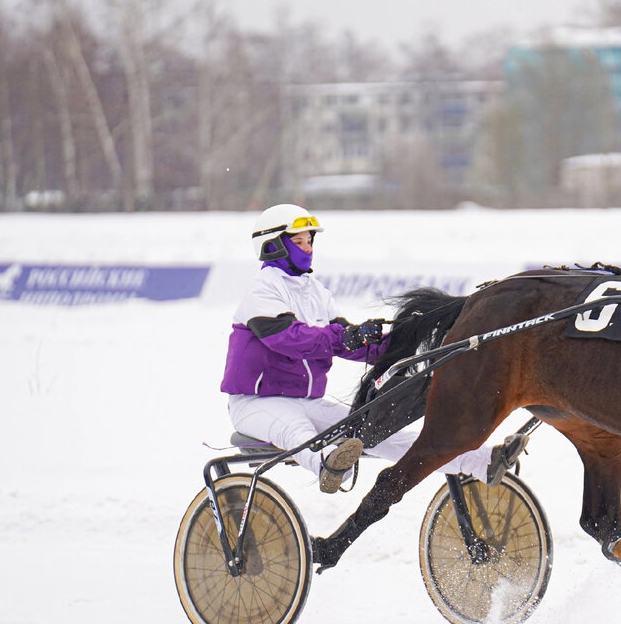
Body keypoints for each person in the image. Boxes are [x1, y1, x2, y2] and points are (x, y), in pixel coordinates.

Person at [220, 203, 528, 493]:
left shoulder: (316, 293)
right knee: (296, 430)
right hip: (255, 404)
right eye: (299, 243)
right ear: (274, 246)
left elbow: (346, 341)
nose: (308, 249)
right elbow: (292, 339)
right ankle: (327, 465)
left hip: (306, 401)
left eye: (309, 242)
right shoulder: (262, 292)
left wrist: (400, 344)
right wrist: (346, 337)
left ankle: (480, 462)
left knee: (379, 433)